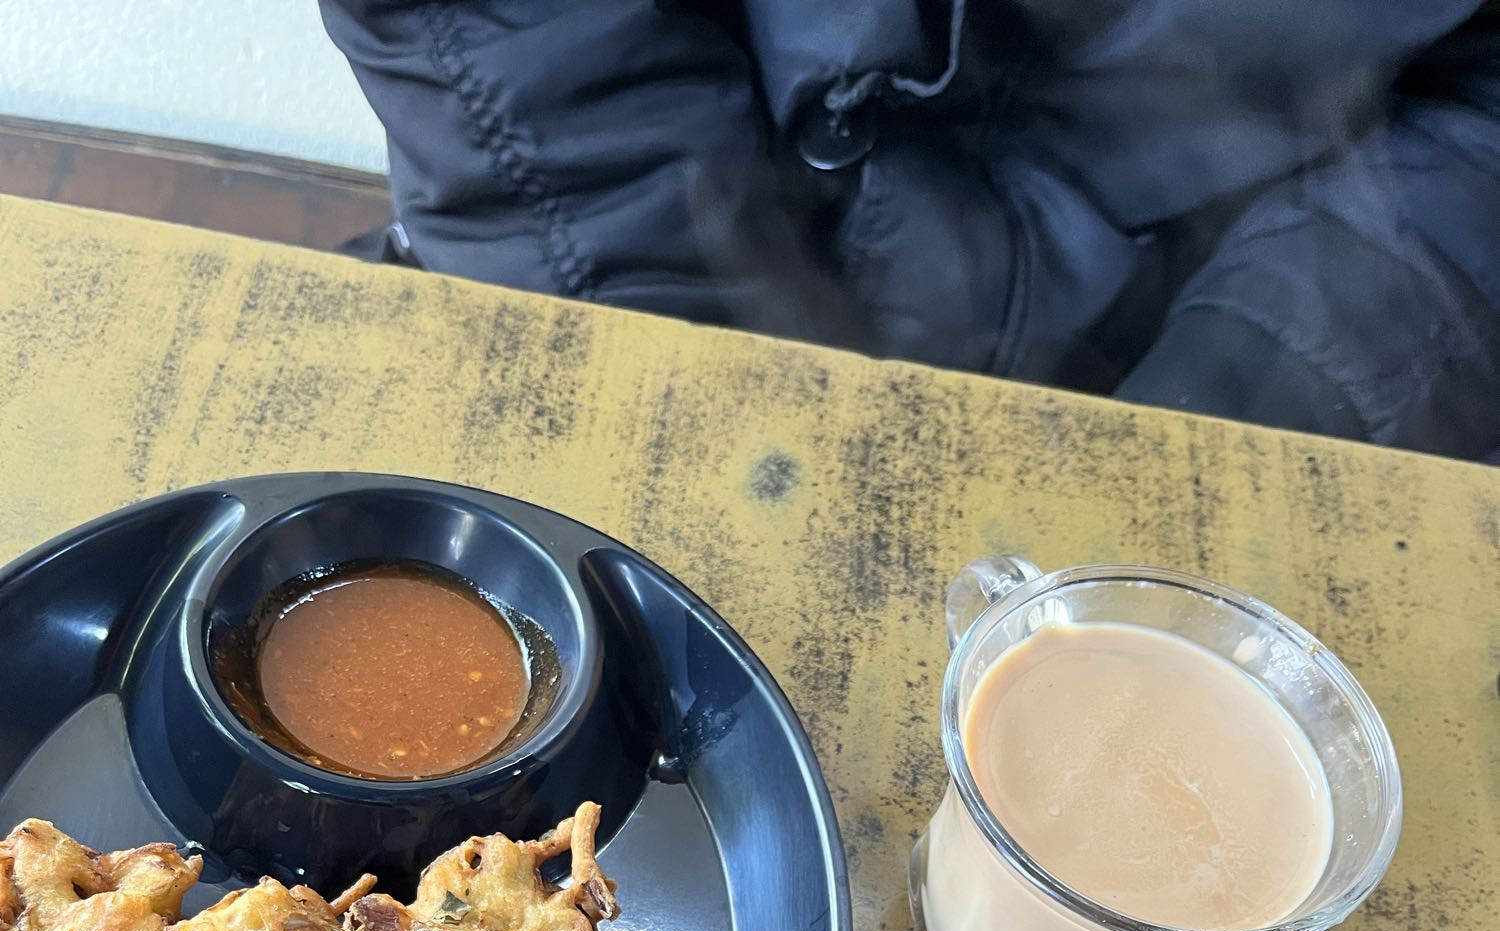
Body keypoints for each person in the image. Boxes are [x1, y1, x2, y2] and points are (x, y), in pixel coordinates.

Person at [320, 0, 1500, 459]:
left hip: (1272, 348)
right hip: (623, 261)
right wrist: (671, 400)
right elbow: (515, 50)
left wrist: (1242, 402)